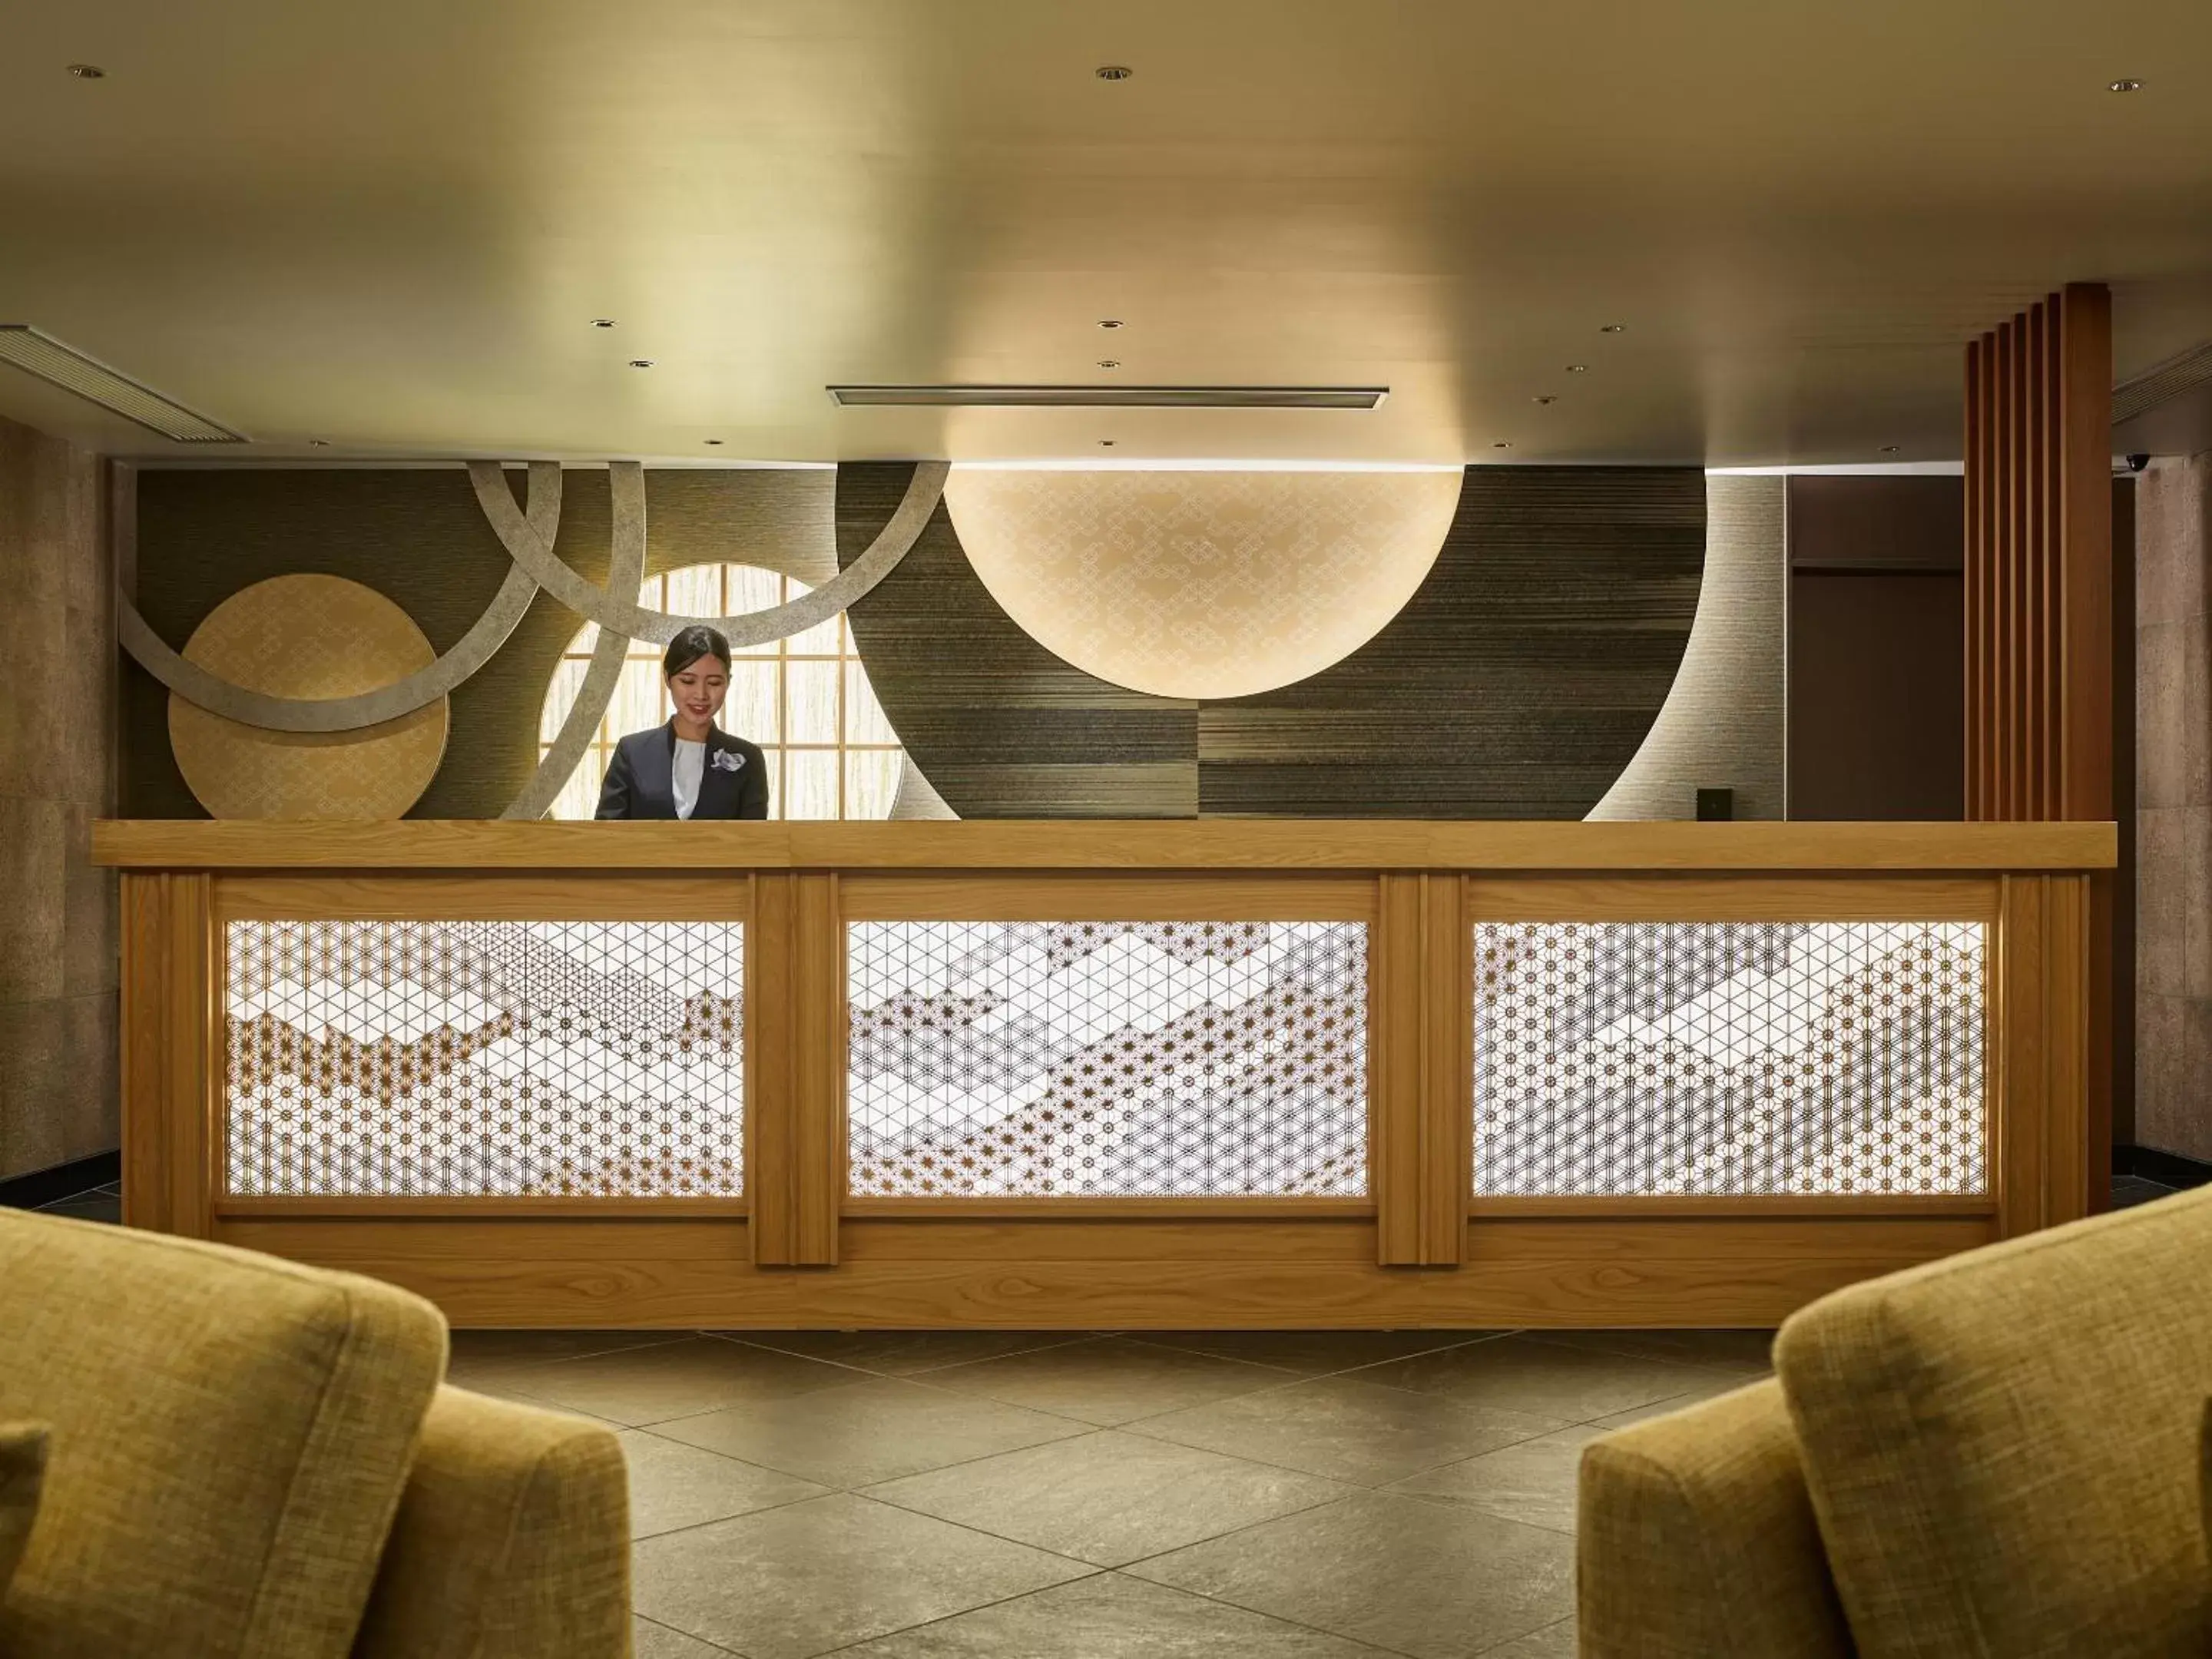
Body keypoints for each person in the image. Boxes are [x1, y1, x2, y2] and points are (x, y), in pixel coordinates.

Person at [595, 625, 770, 820]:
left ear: (728, 682)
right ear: (668, 679)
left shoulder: (749, 758)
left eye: (714, 683)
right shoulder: (632, 751)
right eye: (687, 681)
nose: (701, 695)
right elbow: (606, 836)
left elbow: (755, 841)